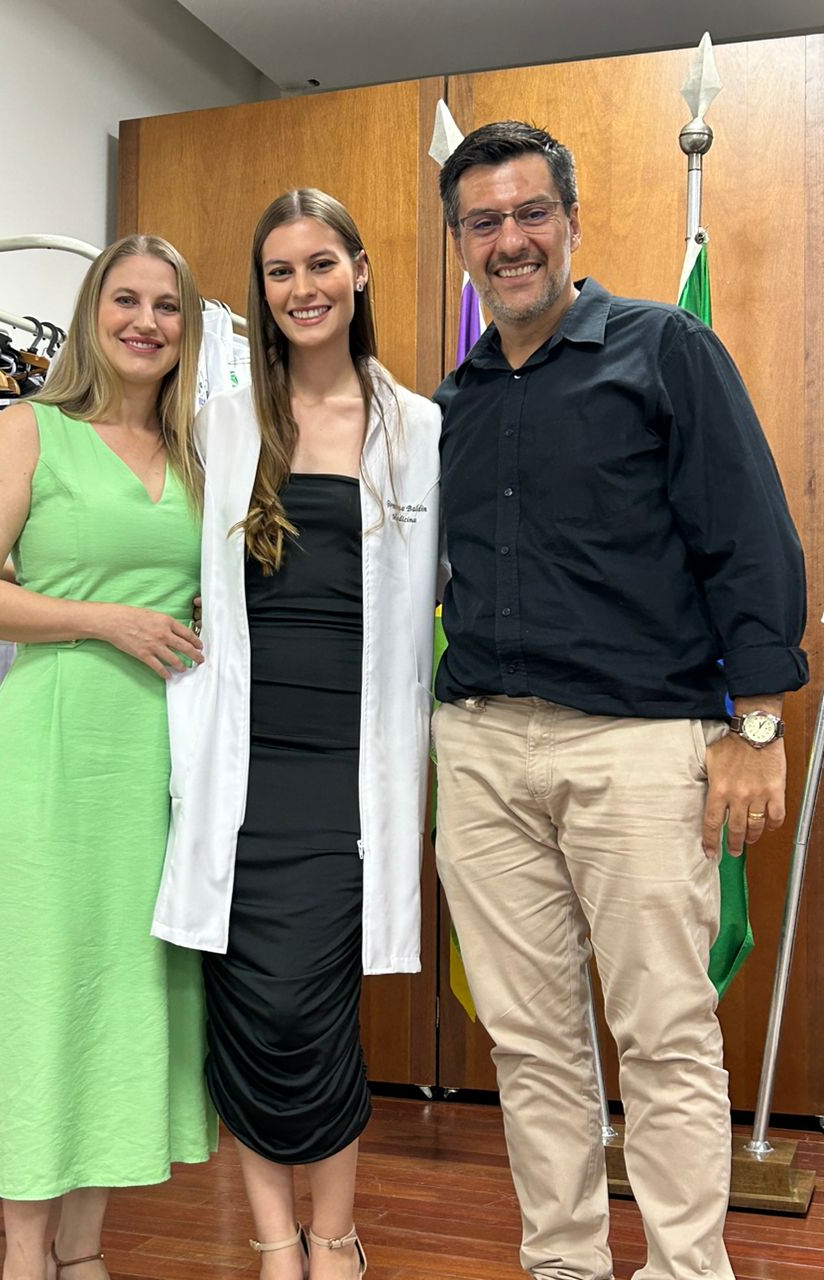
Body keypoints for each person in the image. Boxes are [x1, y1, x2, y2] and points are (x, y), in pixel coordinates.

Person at [431, 121, 807, 1280]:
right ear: (460, 243)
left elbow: (751, 539)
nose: (510, 240)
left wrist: (756, 725)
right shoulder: (453, 399)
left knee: (665, 1031)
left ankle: (688, 1267)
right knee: (530, 1041)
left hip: (639, 747)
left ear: (571, 221)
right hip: (482, 750)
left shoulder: (664, 347)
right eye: (484, 221)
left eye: (530, 212)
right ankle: (565, 1263)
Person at [0, 235, 217, 1280]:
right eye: (125, 300)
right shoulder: (29, 429)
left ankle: (83, 1253)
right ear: (93, 314)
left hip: (157, 760)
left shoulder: (198, 453)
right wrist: (103, 619)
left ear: (187, 328)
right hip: (49, 751)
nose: (145, 322)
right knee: (42, 988)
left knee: (117, 990)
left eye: (166, 306)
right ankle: (25, 1254)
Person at [152, 189, 441, 1280]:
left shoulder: (421, 428)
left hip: (349, 767)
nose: (302, 288)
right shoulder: (220, 426)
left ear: (359, 271)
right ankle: (278, 1241)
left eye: (322, 263)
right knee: (245, 1003)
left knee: (311, 1007)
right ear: (261, 290)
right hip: (242, 761)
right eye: (280, 270)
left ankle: (336, 1233)